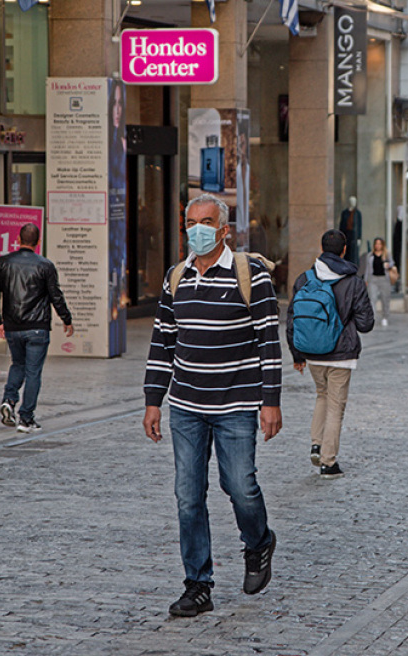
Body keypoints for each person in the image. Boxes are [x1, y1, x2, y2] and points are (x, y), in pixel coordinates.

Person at [143, 194, 282, 617]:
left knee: (239, 486)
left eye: (206, 222)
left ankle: (258, 542)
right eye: (190, 221)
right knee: (188, 496)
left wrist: (270, 402)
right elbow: (163, 342)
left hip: (236, 404)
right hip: (186, 405)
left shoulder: (251, 275)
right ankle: (197, 584)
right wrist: (153, 401)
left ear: (224, 230)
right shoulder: (175, 277)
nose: (196, 229)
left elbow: (268, 342)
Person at [287, 230, 375, 479]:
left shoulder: (304, 278)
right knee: (336, 406)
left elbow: (292, 319)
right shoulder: (354, 281)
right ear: (344, 250)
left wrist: (297, 355)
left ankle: (317, 444)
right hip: (341, 355)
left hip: (312, 353)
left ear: (322, 248)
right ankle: (328, 462)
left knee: (321, 396)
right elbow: (366, 324)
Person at [0, 223, 74, 433]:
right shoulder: (45, 265)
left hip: (13, 326)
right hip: (37, 327)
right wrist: (66, 318)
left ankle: (9, 399)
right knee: (33, 371)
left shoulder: (3, 262)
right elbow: (56, 295)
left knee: (18, 364)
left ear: (18, 239)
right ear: (38, 241)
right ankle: (26, 418)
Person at [359, 237, 397, 327]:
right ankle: (373, 317)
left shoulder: (387, 254)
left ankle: (385, 317)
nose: (378, 246)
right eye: (376, 244)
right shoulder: (370, 255)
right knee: (372, 299)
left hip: (384, 279)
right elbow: (367, 269)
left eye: (380, 244)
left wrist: (388, 265)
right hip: (373, 279)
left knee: (385, 299)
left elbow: (392, 263)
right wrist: (366, 280)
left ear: (382, 245)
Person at [339, 196, 362, 265]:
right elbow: (342, 225)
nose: (353, 203)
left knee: (354, 253)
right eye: (352, 201)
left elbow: (359, 225)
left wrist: (359, 237)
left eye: (354, 201)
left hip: (354, 235)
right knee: (346, 252)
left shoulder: (357, 213)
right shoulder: (345, 213)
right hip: (346, 234)